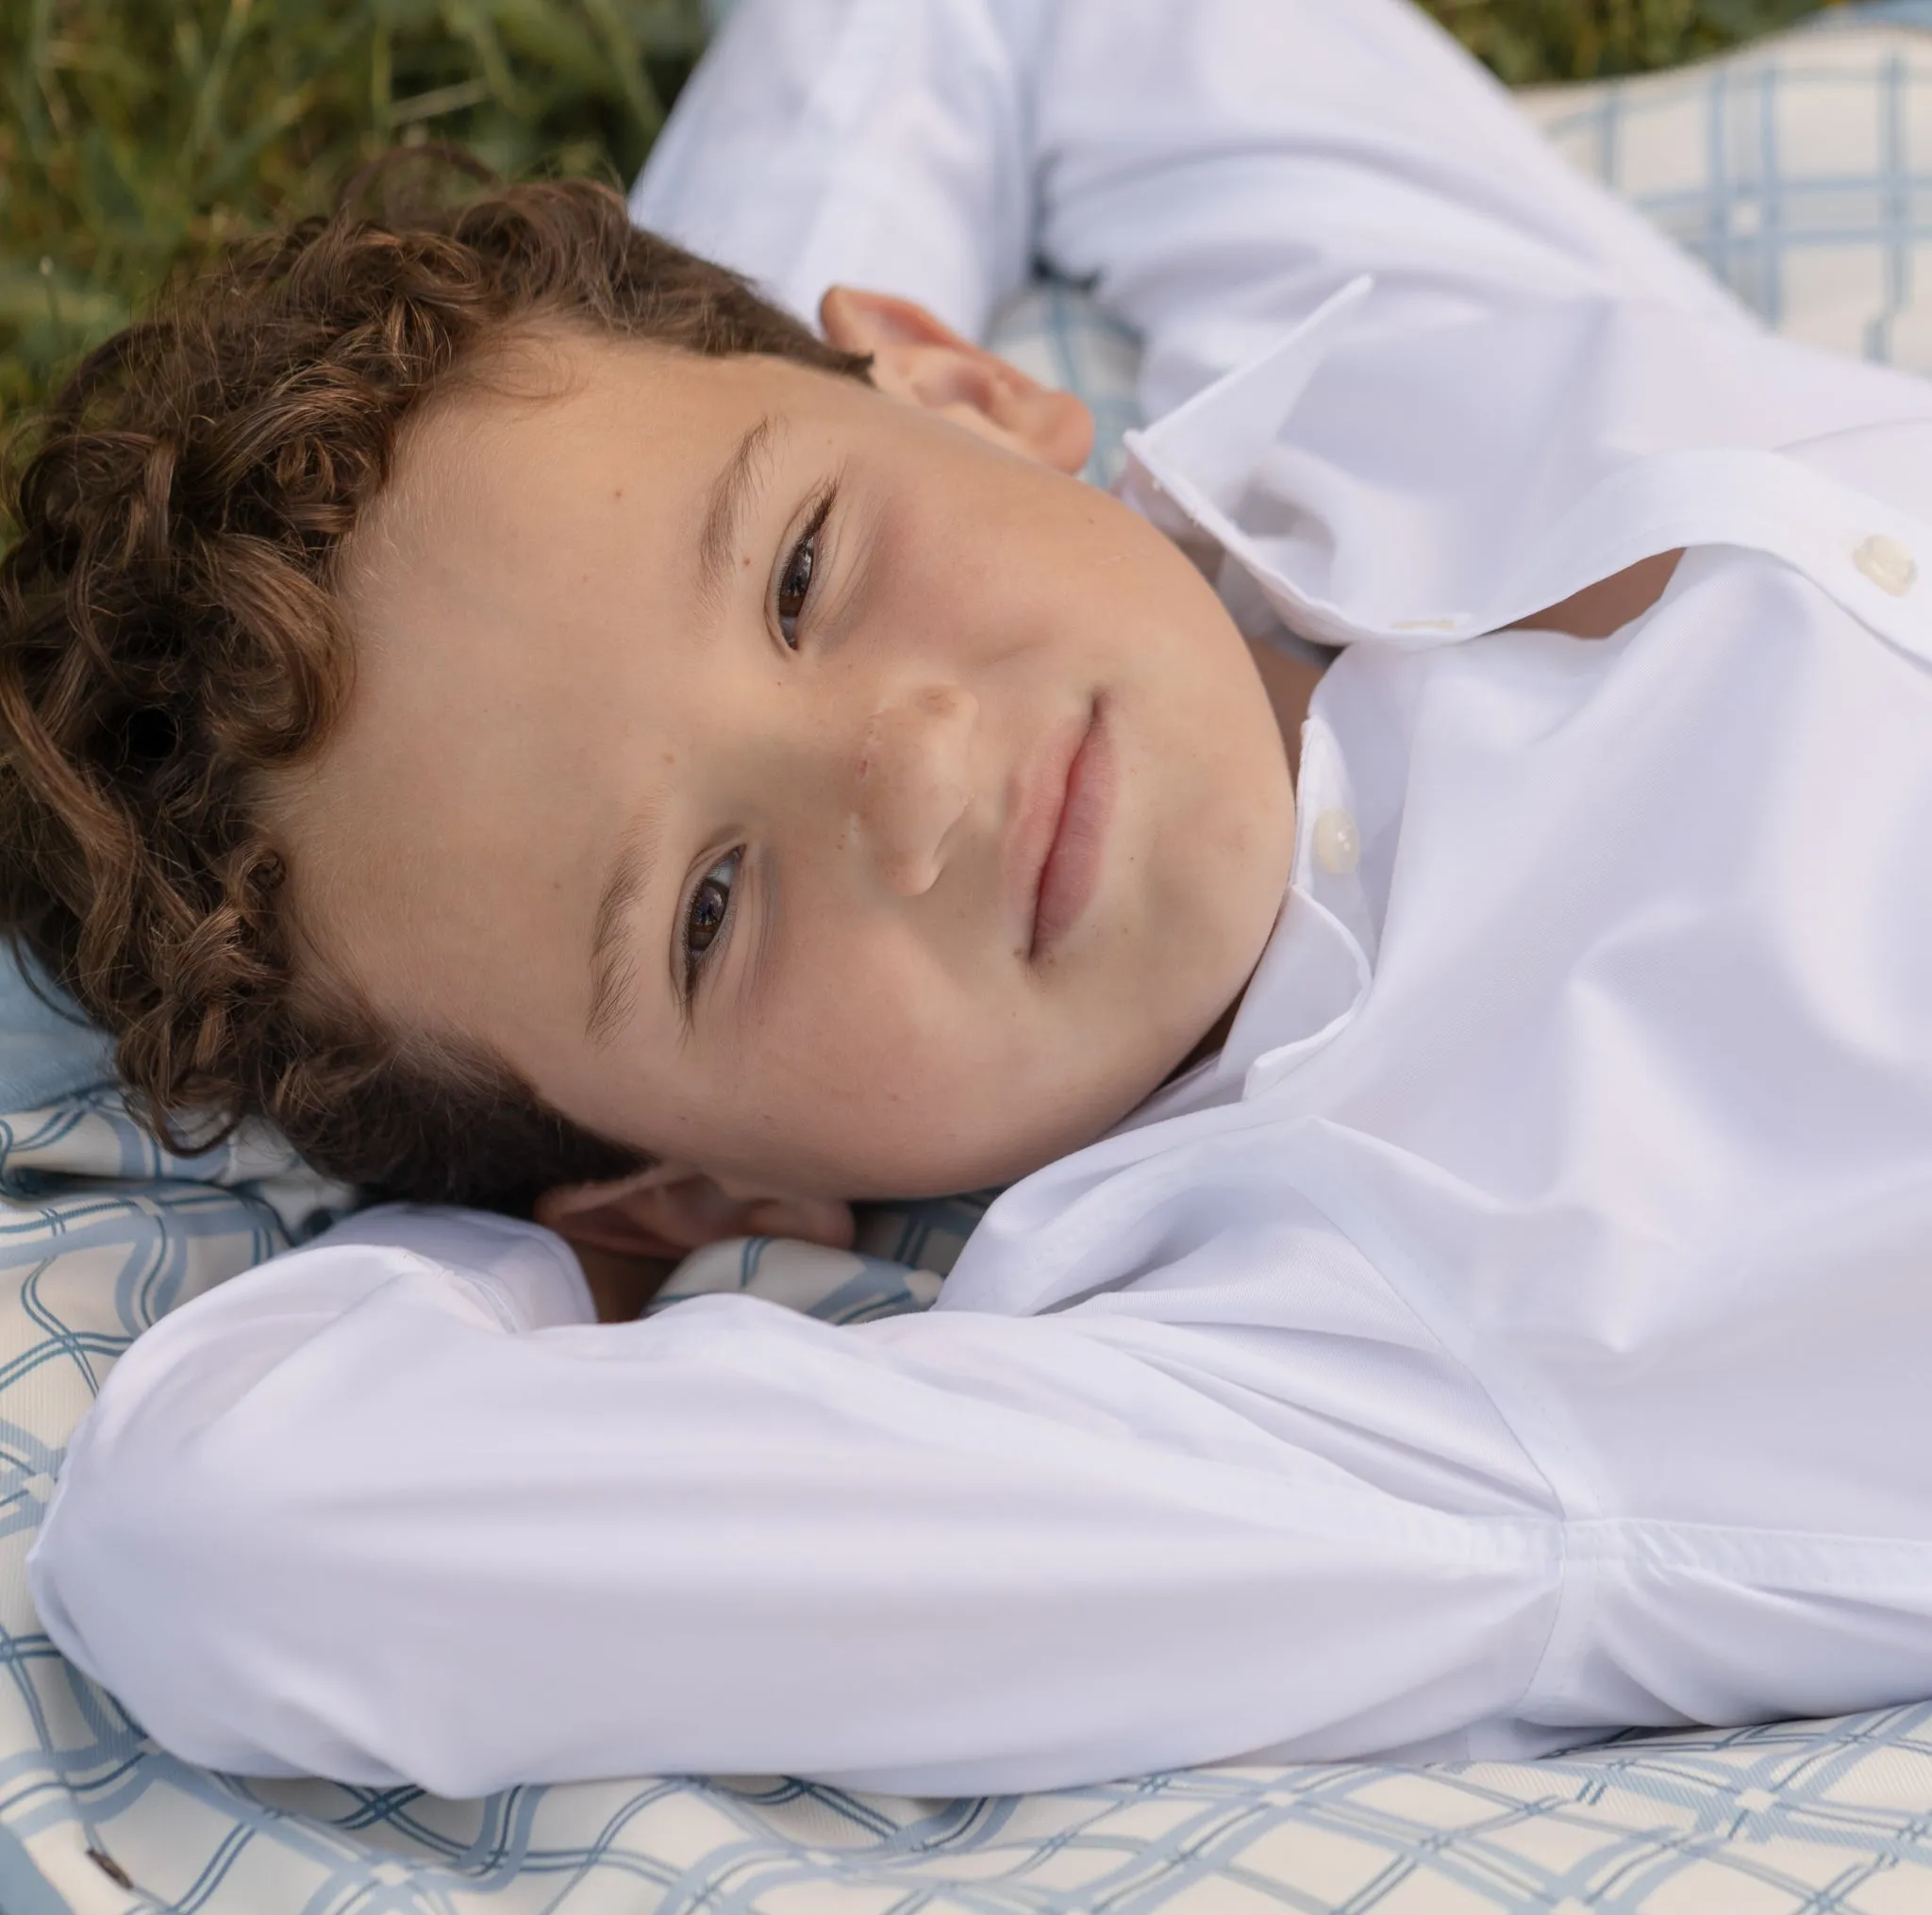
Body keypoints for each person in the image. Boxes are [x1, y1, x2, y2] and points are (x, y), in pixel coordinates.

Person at [11, 0, 1932, 1799]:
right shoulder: (1327, 1382)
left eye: (801, 573)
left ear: (970, 383)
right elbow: (227, 1537)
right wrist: (542, 1228)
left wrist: (750, 381)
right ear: (695, 1183)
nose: (916, 776)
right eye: (703, 912)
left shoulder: (1396, 391)